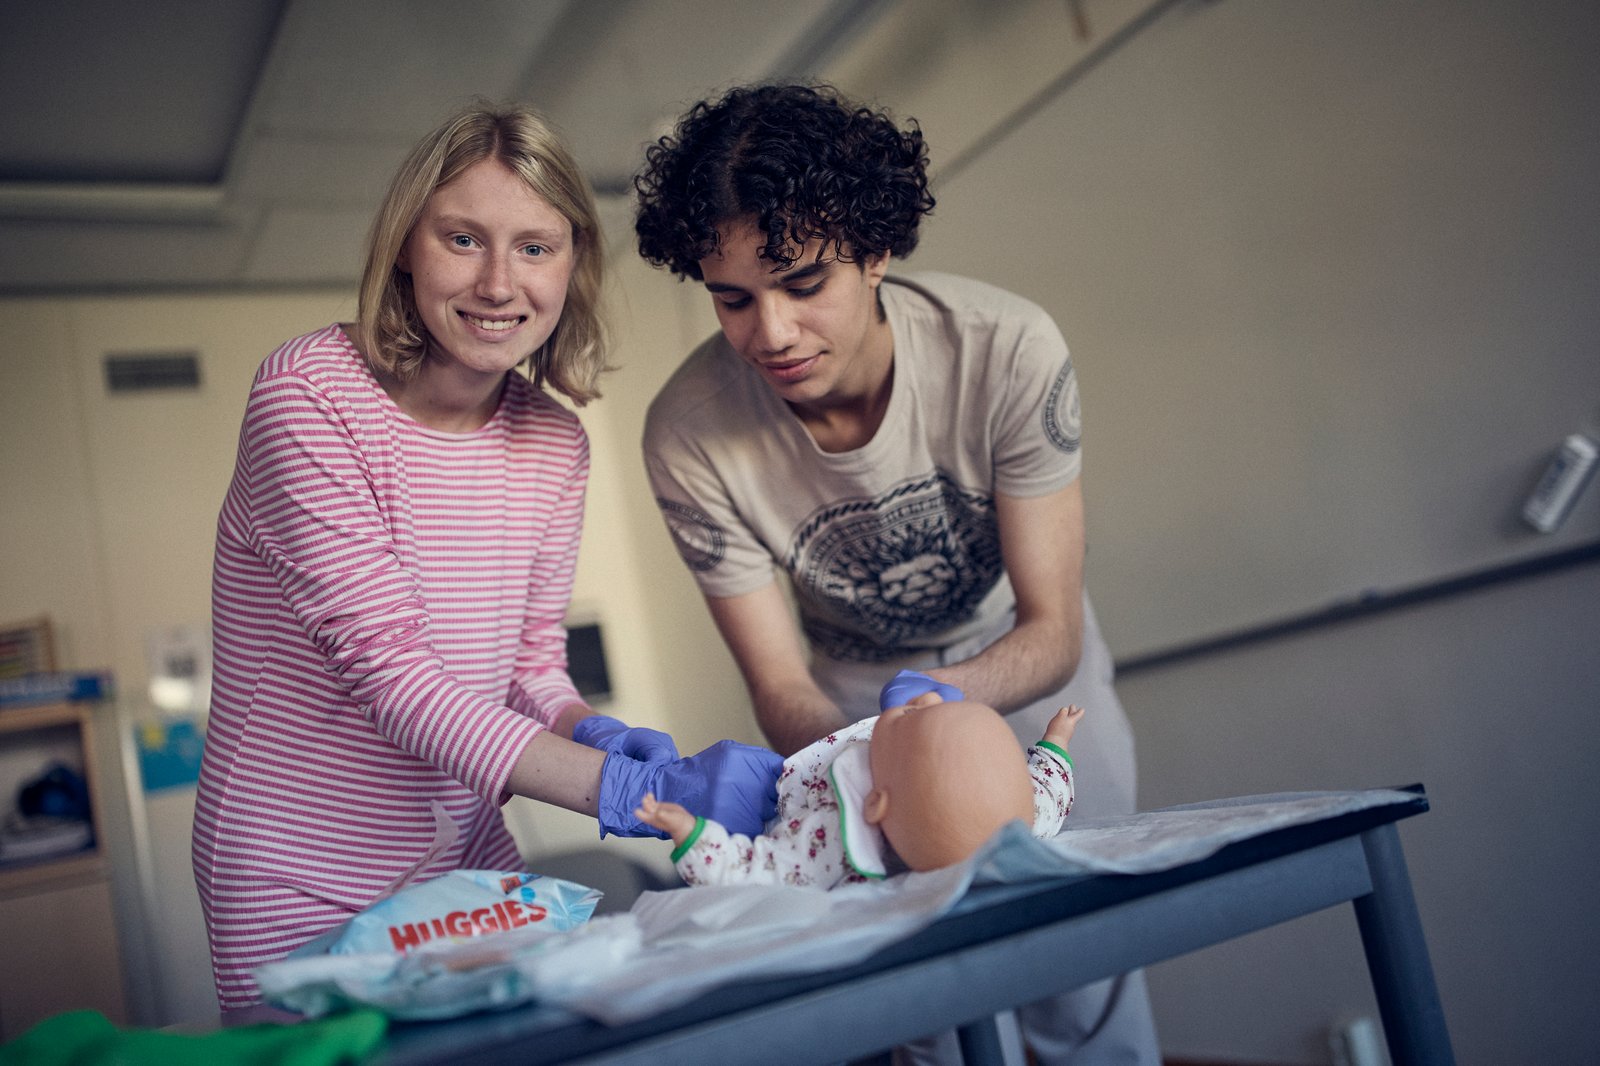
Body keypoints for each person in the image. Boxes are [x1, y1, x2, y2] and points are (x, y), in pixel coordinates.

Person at [192, 102, 783, 1011]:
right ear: (404, 246)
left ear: (574, 260)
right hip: (299, 872)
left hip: (465, 850)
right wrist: (638, 791)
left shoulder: (554, 443)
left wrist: (587, 728)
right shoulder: (308, 400)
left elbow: (528, 666)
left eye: (536, 247)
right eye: (463, 238)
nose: (500, 283)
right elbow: (394, 678)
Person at [634, 83, 1159, 1063]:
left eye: (801, 283)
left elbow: (1051, 628)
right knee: (916, 1005)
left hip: (1025, 671)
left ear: (876, 249)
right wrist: (873, 754)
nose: (771, 334)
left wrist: (945, 710)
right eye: (732, 298)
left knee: (1081, 980)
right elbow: (780, 685)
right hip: (845, 707)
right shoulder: (687, 434)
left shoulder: (1005, 351)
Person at [637, 688, 1082, 888]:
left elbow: (761, 872)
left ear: (874, 802)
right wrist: (1054, 743)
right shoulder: (1022, 821)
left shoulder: (834, 840)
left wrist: (693, 834)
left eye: (912, 719)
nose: (927, 698)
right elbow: (1047, 790)